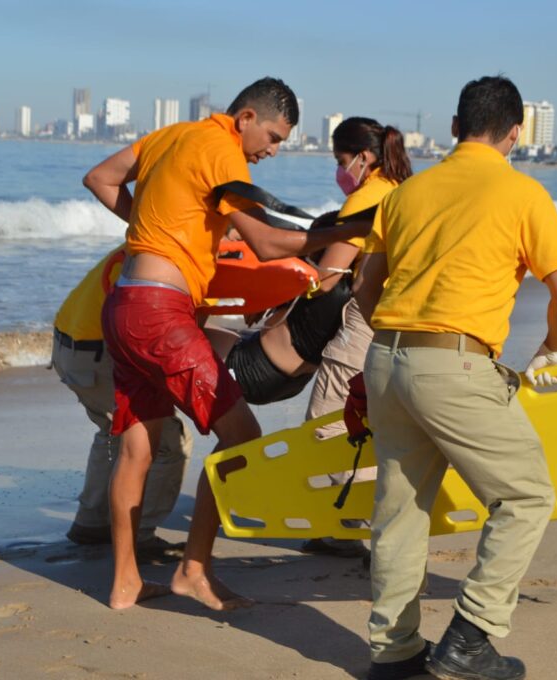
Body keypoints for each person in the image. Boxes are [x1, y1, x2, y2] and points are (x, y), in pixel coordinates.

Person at [82, 77, 369, 611]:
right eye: (275, 136)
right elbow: (263, 240)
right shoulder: (222, 150)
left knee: (138, 446)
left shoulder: (171, 136)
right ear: (246, 119)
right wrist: (341, 233)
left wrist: (162, 229)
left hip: (123, 306)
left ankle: (125, 583)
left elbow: (99, 178)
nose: (274, 150)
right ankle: (194, 570)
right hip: (160, 314)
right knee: (241, 435)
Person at [353, 76, 557, 680]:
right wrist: (550, 349)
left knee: (400, 511)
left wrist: (400, 338)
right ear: (516, 133)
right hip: (455, 364)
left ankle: (393, 652)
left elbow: (362, 288)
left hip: (386, 358)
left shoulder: (404, 195)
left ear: (454, 127)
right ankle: (471, 638)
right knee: (527, 496)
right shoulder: (522, 193)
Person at [299, 117, 412, 559]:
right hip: (405, 322)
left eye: (340, 160)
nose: (339, 170)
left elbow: (326, 277)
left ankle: (346, 527)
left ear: (363, 158)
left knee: (329, 422)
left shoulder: (367, 199)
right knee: (374, 423)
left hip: (368, 321)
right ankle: (362, 520)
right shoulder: (402, 189)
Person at [52, 247, 192, 551]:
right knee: (169, 441)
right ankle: (138, 538)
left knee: (112, 431)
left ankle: (91, 523)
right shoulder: (187, 260)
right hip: (99, 357)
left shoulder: (150, 243)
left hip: (68, 348)